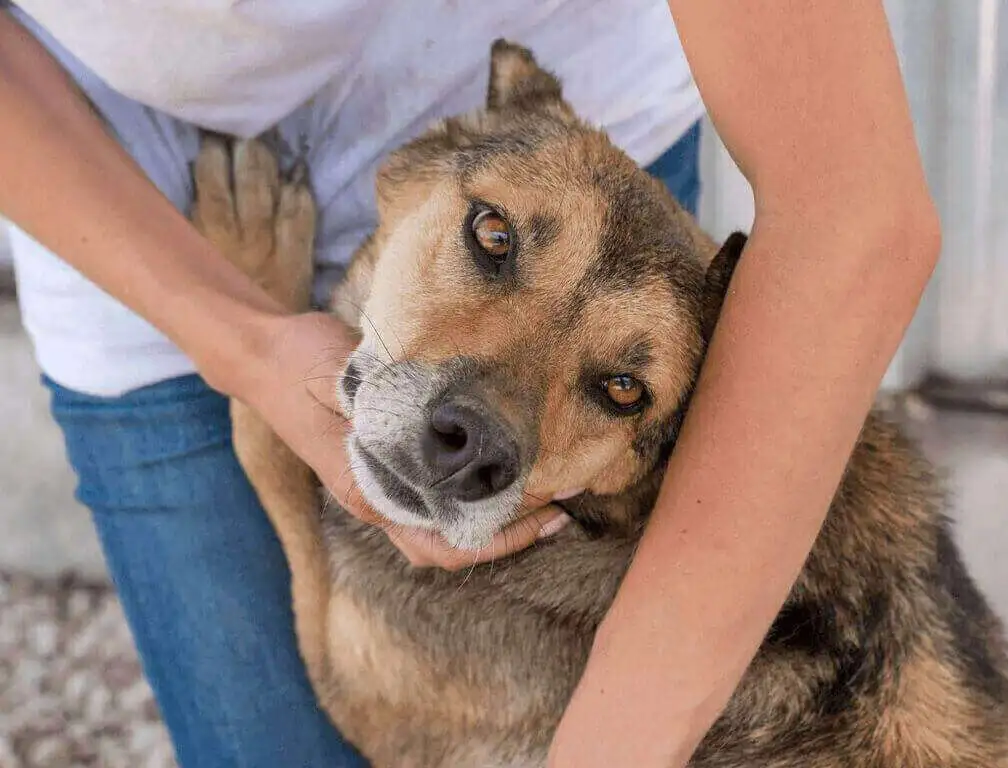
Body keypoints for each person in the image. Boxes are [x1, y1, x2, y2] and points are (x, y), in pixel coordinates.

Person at [0, 1, 939, 767]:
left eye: (618, 389)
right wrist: (243, 345)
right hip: (99, 141)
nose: (488, 426)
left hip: (554, 91)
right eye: (496, 246)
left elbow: (856, 218)